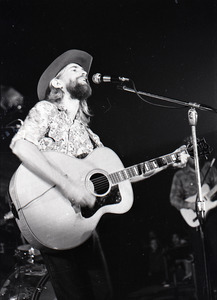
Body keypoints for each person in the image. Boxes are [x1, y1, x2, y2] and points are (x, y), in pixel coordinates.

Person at [9, 49, 189, 300]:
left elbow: (120, 175)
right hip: (51, 221)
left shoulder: (88, 135)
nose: (84, 72)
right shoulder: (46, 110)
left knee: (103, 294)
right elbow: (21, 145)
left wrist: (167, 161)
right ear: (57, 82)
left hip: (83, 227)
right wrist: (68, 186)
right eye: (75, 69)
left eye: (83, 70)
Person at [170, 144, 217, 300]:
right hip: (194, 218)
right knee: (201, 256)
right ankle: (204, 294)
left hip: (212, 216)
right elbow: (174, 199)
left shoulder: (209, 169)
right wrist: (190, 205)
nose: (194, 156)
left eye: (197, 152)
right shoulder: (179, 175)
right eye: (191, 153)